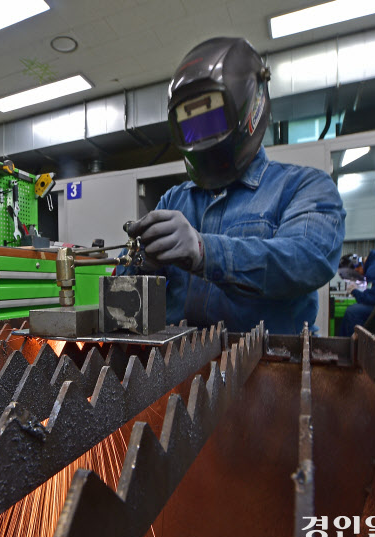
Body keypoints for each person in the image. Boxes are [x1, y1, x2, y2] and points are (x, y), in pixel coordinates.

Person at [122, 37, 346, 334]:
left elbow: (306, 260)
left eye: (211, 121)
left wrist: (206, 252)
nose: (201, 137)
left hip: (270, 366)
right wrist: (141, 265)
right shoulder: (173, 201)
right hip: (179, 366)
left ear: (251, 109)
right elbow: (126, 304)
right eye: (191, 128)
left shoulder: (304, 187)